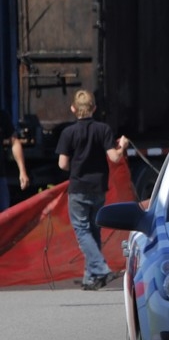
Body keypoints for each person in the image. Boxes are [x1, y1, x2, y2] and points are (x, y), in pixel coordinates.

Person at [56, 90, 129, 290]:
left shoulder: (68, 133)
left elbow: (62, 164)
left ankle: (101, 269)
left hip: (78, 187)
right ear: (94, 108)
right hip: (98, 187)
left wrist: (76, 166)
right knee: (94, 230)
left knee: (82, 230)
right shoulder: (103, 129)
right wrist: (122, 146)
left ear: (73, 108)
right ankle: (90, 277)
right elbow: (115, 157)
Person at [0, 110, 30, 211]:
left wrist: (22, 171)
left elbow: (15, 142)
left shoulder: (2, 116)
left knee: (4, 215)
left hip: (0, 177)